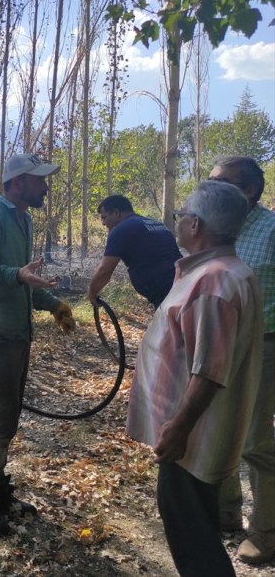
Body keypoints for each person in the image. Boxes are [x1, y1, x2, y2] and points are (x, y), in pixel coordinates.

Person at [126, 180, 262, 577]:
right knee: (195, 529)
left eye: (181, 214)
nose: (178, 221)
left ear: (196, 226)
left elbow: (209, 371)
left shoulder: (213, 283)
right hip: (198, 437)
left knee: (193, 541)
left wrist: (178, 429)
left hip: (193, 442)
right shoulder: (227, 272)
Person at [0, 153, 76, 537]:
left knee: (8, 417)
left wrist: (52, 304)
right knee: (0, 419)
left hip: (16, 331)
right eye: (38, 179)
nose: (45, 186)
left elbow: (22, 280)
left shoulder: (24, 220)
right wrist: (17, 274)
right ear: (16, 183)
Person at [209, 156, 275, 565]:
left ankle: (266, 532)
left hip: (263, 345)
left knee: (256, 441)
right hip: (221, 343)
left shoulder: (271, 230)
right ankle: (226, 510)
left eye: (222, 182)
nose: (212, 188)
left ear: (249, 190)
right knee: (220, 430)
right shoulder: (218, 228)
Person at [87, 195, 182, 308]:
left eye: (104, 217)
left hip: (167, 296)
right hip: (182, 285)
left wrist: (92, 294)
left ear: (116, 213)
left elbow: (104, 272)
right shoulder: (157, 224)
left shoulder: (122, 229)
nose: (103, 223)